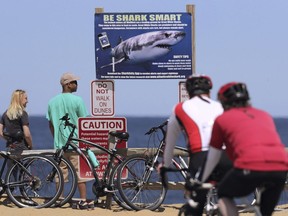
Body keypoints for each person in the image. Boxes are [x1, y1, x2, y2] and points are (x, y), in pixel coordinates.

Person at [199, 82, 288, 216]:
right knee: (264, 213)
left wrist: (200, 181)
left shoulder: (222, 119)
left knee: (224, 192)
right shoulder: (264, 115)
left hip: (250, 166)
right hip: (281, 168)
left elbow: (213, 157)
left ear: (224, 102)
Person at [160, 74, 232, 216]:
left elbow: (170, 142)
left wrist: (165, 166)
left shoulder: (180, 108)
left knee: (195, 199)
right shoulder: (221, 106)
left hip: (200, 157)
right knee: (225, 197)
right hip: (226, 156)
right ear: (209, 91)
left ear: (189, 91)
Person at [46, 72, 89, 208]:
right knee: (79, 173)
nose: (77, 84)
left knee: (60, 173)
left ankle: (60, 198)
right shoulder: (78, 101)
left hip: (59, 145)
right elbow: (84, 122)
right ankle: (83, 199)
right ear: (68, 84)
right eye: (75, 82)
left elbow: (51, 124)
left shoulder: (52, 101)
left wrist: (56, 138)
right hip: (75, 142)